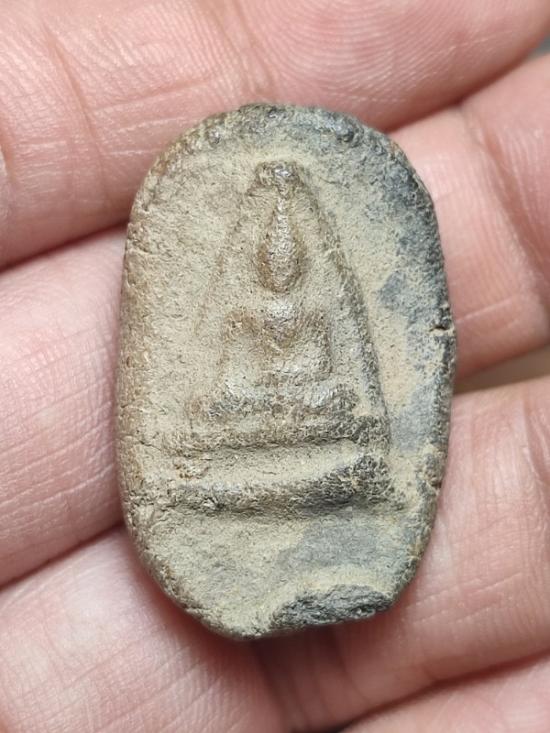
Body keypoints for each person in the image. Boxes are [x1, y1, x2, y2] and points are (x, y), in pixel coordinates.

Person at [0, 2, 549, 730]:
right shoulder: (238, 311)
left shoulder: (324, 308)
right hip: (249, 428)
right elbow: (216, 393)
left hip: (314, 427)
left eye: (291, 251)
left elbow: (351, 389)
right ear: (255, 249)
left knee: (350, 444)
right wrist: (225, 416)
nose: (279, 260)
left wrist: (334, 412)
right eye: (268, 249)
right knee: (218, 422)